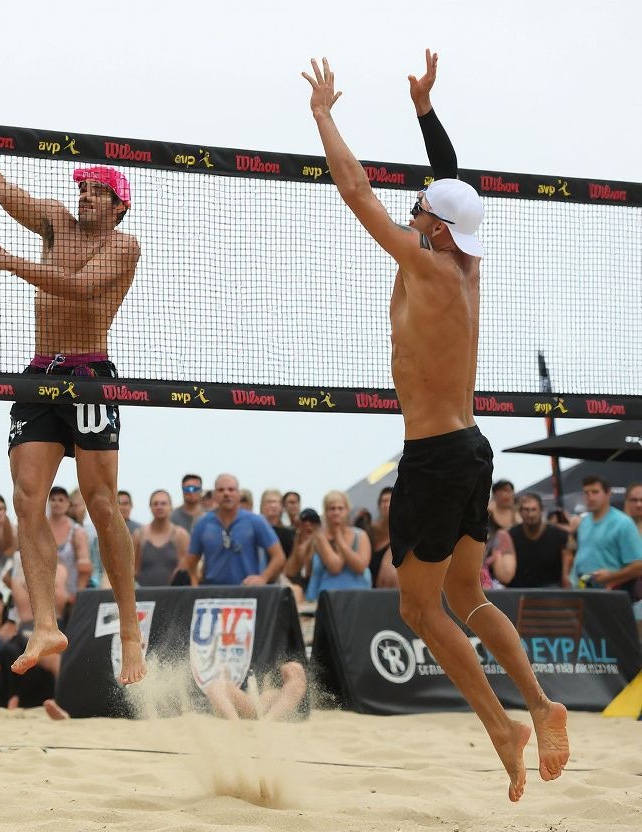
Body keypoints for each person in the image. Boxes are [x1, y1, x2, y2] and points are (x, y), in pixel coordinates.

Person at [304, 49, 567, 800]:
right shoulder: (464, 262)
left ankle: (503, 725)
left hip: (435, 455)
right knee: (471, 597)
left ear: (439, 231)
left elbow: (355, 192)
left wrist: (325, 116)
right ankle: (542, 704)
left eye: (421, 210)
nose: (413, 210)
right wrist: (424, 110)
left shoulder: (424, 261)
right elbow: (454, 186)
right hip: (471, 447)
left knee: (419, 608)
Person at [0, 106, 145, 685]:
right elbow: (1, 188)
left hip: (90, 372)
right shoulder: (56, 223)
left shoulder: (124, 247)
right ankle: (44, 623)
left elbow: (81, 289)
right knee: (26, 497)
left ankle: (132, 633)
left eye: (98, 191)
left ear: (118, 206)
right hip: (41, 373)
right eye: (83, 187)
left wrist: (11, 262)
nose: (85, 195)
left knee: (102, 502)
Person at [184, 474, 284, 587]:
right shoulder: (203, 524)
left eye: (231, 489)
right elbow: (190, 562)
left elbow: (279, 556)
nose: (226, 493)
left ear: (239, 494)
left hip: (247, 592)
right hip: (213, 594)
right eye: (221, 490)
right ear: (215, 495)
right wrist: (195, 586)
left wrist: (263, 578)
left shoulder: (254, 521)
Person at [571, 475, 642, 591]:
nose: (590, 497)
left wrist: (611, 578)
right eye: (586, 493)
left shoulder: (623, 523)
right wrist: (572, 581)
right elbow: (580, 557)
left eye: (595, 492)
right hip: (584, 592)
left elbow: (638, 567)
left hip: (613, 594)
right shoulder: (584, 522)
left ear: (607, 494)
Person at [492, 493, 572, 588]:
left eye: (534, 509)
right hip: (518, 591)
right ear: (520, 512)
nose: (530, 514)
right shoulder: (510, 535)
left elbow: (567, 563)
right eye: (526, 510)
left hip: (551, 590)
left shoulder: (559, 535)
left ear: (541, 510)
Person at [305, 491, 372, 601]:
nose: (336, 512)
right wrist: (338, 535)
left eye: (340, 508)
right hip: (328, 598)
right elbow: (335, 567)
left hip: (359, 597)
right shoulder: (320, 537)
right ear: (326, 512)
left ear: (347, 510)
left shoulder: (361, 535)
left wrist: (339, 539)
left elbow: (360, 567)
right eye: (332, 508)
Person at [134, 489, 189, 587]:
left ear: (171, 507)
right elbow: (134, 570)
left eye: (163, 503)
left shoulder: (180, 535)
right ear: (150, 507)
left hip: (173, 595)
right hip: (145, 595)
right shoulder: (139, 535)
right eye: (155, 504)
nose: (159, 507)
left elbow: (187, 569)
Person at [47, 486, 91, 604]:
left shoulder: (77, 531)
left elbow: (85, 568)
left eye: (61, 500)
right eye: (53, 499)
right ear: (48, 502)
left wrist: (77, 594)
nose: (57, 503)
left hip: (69, 594)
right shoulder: (39, 529)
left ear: (67, 504)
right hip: (43, 594)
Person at [369, 487, 399, 588]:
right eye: (384, 501)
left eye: (391, 500)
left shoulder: (403, 533)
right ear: (379, 506)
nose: (387, 505)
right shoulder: (369, 530)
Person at [258, 488, 295, 560]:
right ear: (262, 506)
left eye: (276, 502)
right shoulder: (256, 530)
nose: (273, 505)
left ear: (282, 506)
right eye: (269, 502)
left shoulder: (289, 533)